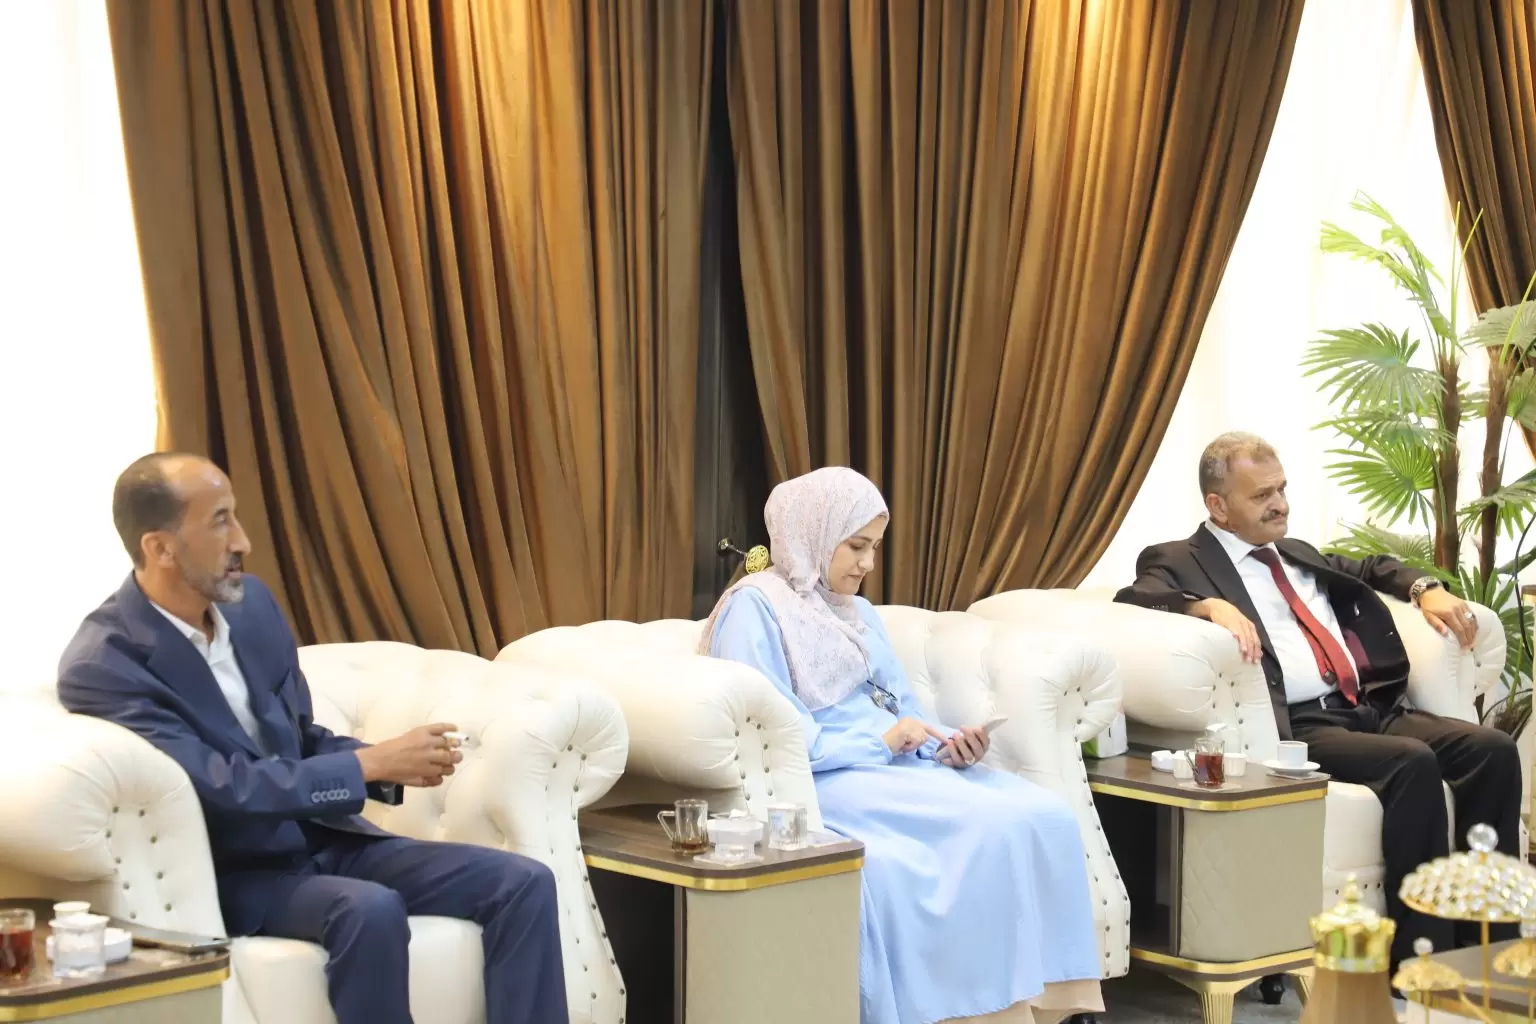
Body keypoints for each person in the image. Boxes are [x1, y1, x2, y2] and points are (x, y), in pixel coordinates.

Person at [57, 453, 567, 1024]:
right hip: (235, 872)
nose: (243, 540)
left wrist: (389, 764)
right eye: (220, 521)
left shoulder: (251, 607)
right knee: (368, 909)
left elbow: (299, 739)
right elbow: (222, 788)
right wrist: (368, 766)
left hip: (327, 839)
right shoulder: (107, 665)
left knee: (523, 882)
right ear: (161, 548)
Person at [700, 467, 1103, 1024]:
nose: (867, 563)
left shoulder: (858, 612)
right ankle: (970, 1011)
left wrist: (946, 745)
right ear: (813, 531)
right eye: (856, 546)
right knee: (988, 826)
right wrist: (879, 742)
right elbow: (775, 734)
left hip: (895, 766)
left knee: (1044, 813)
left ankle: (1047, 1002)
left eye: (874, 547)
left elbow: (902, 708)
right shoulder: (754, 607)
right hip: (829, 778)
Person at [1115, 432, 1521, 964]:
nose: (1280, 503)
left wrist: (1426, 588)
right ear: (1218, 505)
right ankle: (1421, 959)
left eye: (1281, 489)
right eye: (1262, 495)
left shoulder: (1294, 553)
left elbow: (1372, 568)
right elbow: (1137, 597)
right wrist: (1204, 606)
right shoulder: (1180, 559)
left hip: (1368, 707)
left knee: (1492, 750)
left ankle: (1490, 944)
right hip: (1300, 725)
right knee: (1412, 763)